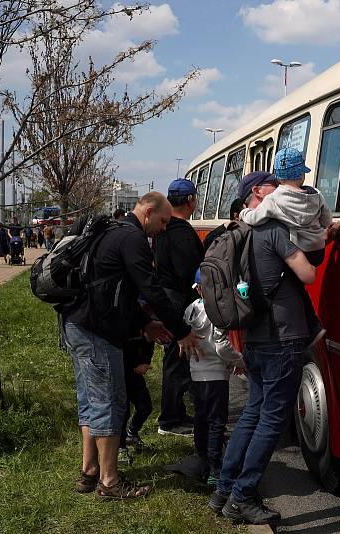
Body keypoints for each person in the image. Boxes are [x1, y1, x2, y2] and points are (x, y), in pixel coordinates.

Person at [62, 192, 202, 499]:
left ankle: (89, 472)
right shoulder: (132, 238)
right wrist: (181, 331)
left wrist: (143, 324)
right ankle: (109, 482)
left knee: (90, 401)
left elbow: (114, 290)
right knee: (109, 402)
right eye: (163, 221)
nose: (164, 229)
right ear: (148, 212)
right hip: (97, 331)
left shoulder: (113, 231)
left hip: (79, 323)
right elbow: (150, 289)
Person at [209, 172, 317, 525]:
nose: (287, 192)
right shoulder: (272, 231)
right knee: (272, 420)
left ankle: (224, 489)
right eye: (276, 187)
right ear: (259, 193)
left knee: (253, 414)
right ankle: (242, 496)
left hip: (254, 338)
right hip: (281, 339)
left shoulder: (241, 233)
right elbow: (307, 275)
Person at [239, 149, 337, 346]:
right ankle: (313, 325)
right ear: (302, 174)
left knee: (289, 284)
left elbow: (255, 218)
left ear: (278, 176)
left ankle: (312, 326)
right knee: (296, 285)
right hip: (318, 250)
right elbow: (327, 220)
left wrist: (244, 214)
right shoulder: (316, 195)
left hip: (298, 250)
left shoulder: (274, 200)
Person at [154, 179, 205, 437]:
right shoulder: (182, 232)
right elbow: (189, 271)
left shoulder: (164, 228)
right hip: (178, 303)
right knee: (177, 360)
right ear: (190, 201)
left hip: (168, 300)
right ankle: (170, 419)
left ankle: (175, 413)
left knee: (176, 359)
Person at [184, 269, 243, 485]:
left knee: (201, 418)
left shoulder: (191, 310)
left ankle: (201, 459)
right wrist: (238, 361)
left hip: (196, 372)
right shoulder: (218, 311)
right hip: (216, 375)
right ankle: (214, 466)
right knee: (217, 421)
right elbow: (222, 346)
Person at [117, 332, 154, 464]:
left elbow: (149, 344)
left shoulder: (147, 321)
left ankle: (131, 433)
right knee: (123, 411)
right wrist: (133, 366)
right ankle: (120, 448)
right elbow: (120, 342)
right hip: (120, 372)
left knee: (145, 406)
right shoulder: (124, 319)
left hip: (135, 374)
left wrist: (144, 361)